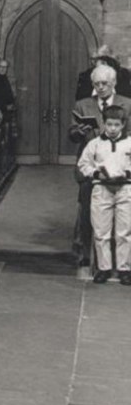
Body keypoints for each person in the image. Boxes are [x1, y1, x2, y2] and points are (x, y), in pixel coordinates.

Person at [68, 63, 131, 266]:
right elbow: (72, 134)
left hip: (121, 163)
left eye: (105, 83)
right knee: (87, 208)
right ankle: (85, 253)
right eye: (97, 84)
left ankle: (122, 260)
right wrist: (79, 131)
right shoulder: (83, 104)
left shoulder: (127, 104)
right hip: (92, 163)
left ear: (113, 83)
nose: (101, 87)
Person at [77, 105, 131, 284]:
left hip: (125, 189)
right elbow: (83, 164)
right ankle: (104, 267)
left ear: (123, 125)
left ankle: (124, 268)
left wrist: (127, 173)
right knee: (101, 231)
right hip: (102, 188)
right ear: (104, 124)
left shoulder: (129, 143)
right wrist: (95, 173)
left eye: (116, 125)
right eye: (109, 124)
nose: (113, 129)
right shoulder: (95, 144)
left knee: (124, 232)